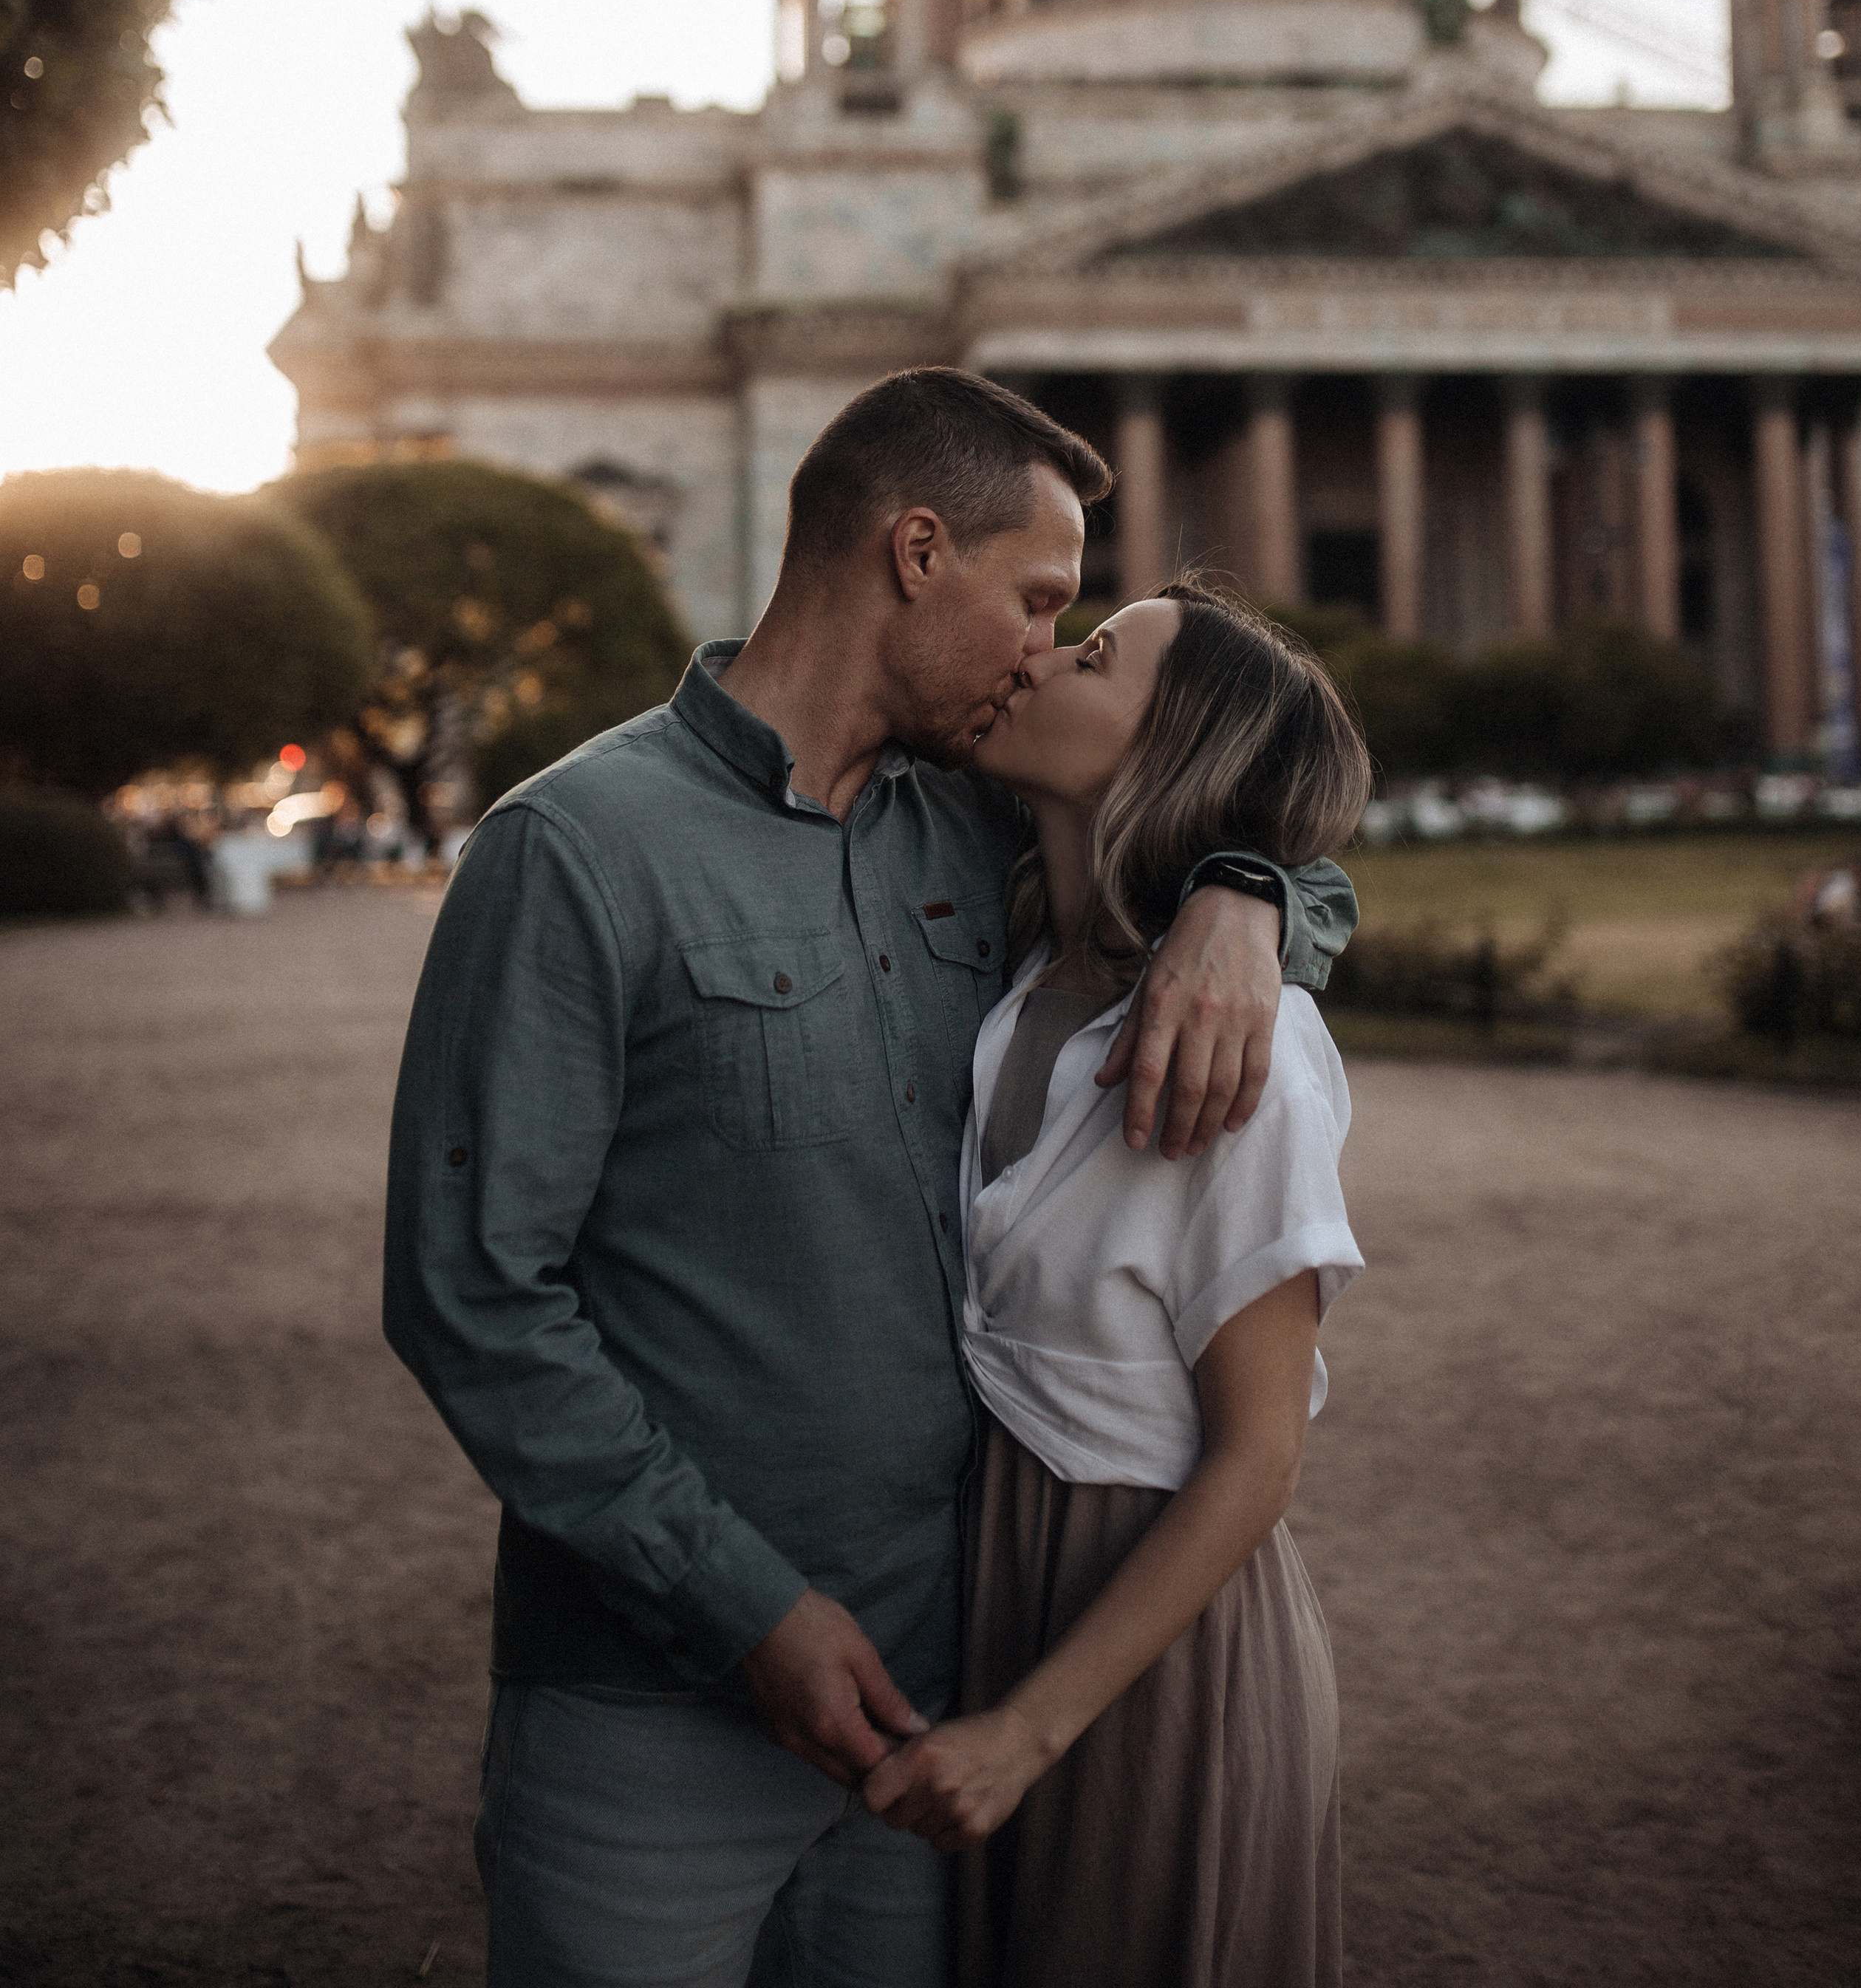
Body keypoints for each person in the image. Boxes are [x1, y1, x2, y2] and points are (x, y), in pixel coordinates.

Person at [383, 369, 1359, 1988]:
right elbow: (472, 1297)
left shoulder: (969, 825)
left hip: (944, 1673)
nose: (1046, 648)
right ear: (917, 552)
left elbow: (1240, 797)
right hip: (648, 1707)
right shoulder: (572, 848)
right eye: (1040, 601)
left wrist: (1249, 898)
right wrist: (743, 1609)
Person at [862, 578, 1372, 1988]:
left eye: (1089, 656)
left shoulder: (1247, 1061)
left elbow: (1260, 1457)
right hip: (1001, 1605)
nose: (1035, 653)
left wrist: (1026, 1729)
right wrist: (1250, 886)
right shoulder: (1019, 977)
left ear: (1172, 753)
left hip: (1156, 1655)